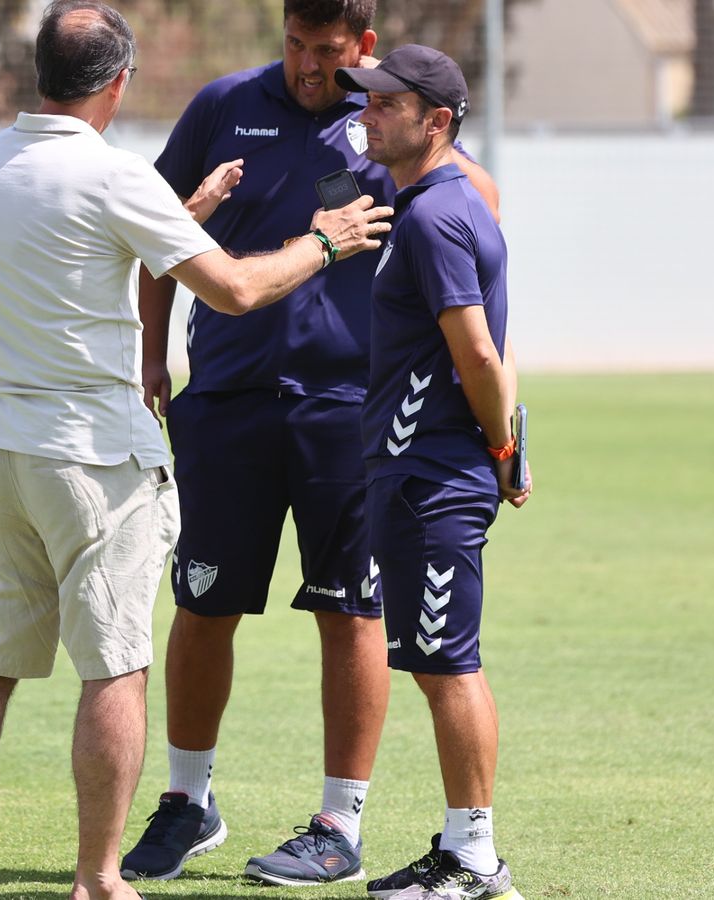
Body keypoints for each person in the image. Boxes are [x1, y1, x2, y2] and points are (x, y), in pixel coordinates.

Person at [0, 4, 394, 900]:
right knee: (116, 668)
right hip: (91, 459)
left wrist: (191, 211)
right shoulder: (116, 176)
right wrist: (326, 241)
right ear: (120, 80)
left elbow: (91, 243)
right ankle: (100, 877)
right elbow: (241, 286)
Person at [121, 0, 498, 887]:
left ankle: (340, 820)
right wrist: (152, 357)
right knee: (204, 603)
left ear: (362, 48)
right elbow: (159, 232)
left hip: (351, 412)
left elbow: (471, 200)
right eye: (294, 45)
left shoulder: (386, 127)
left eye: (326, 51)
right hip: (224, 399)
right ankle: (187, 801)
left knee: (349, 609)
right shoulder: (223, 105)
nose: (306, 65)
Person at [335, 46, 530, 900]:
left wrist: (495, 445)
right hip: (420, 474)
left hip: (434, 477)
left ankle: (476, 861)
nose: (367, 115)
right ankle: (464, 848)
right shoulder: (438, 201)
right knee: (434, 660)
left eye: (386, 104)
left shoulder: (433, 217)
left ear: (437, 122)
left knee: (449, 663)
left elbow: (480, 351)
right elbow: (497, 347)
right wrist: (512, 439)